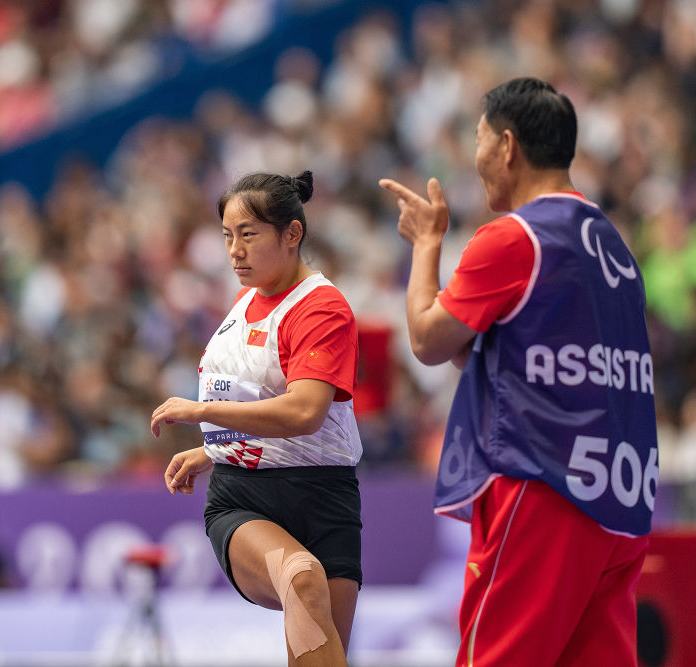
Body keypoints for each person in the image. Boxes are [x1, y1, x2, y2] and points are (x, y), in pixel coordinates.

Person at [379, 77, 659, 666]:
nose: (475, 156)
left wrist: (427, 244)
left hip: (543, 488)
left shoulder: (516, 238)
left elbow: (429, 339)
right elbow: (507, 356)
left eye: (479, 139)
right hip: (620, 500)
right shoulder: (613, 245)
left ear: (507, 146)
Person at [151, 170, 363, 667]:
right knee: (301, 576)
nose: (234, 251)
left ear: (292, 233)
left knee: (323, 654)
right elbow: (255, 396)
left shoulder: (320, 307)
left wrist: (201, 412)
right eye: (227, 235)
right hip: (245, 498)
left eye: (248, 234)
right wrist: (216, 448)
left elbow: (305, 411)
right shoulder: (244, 301)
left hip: (326, 500)